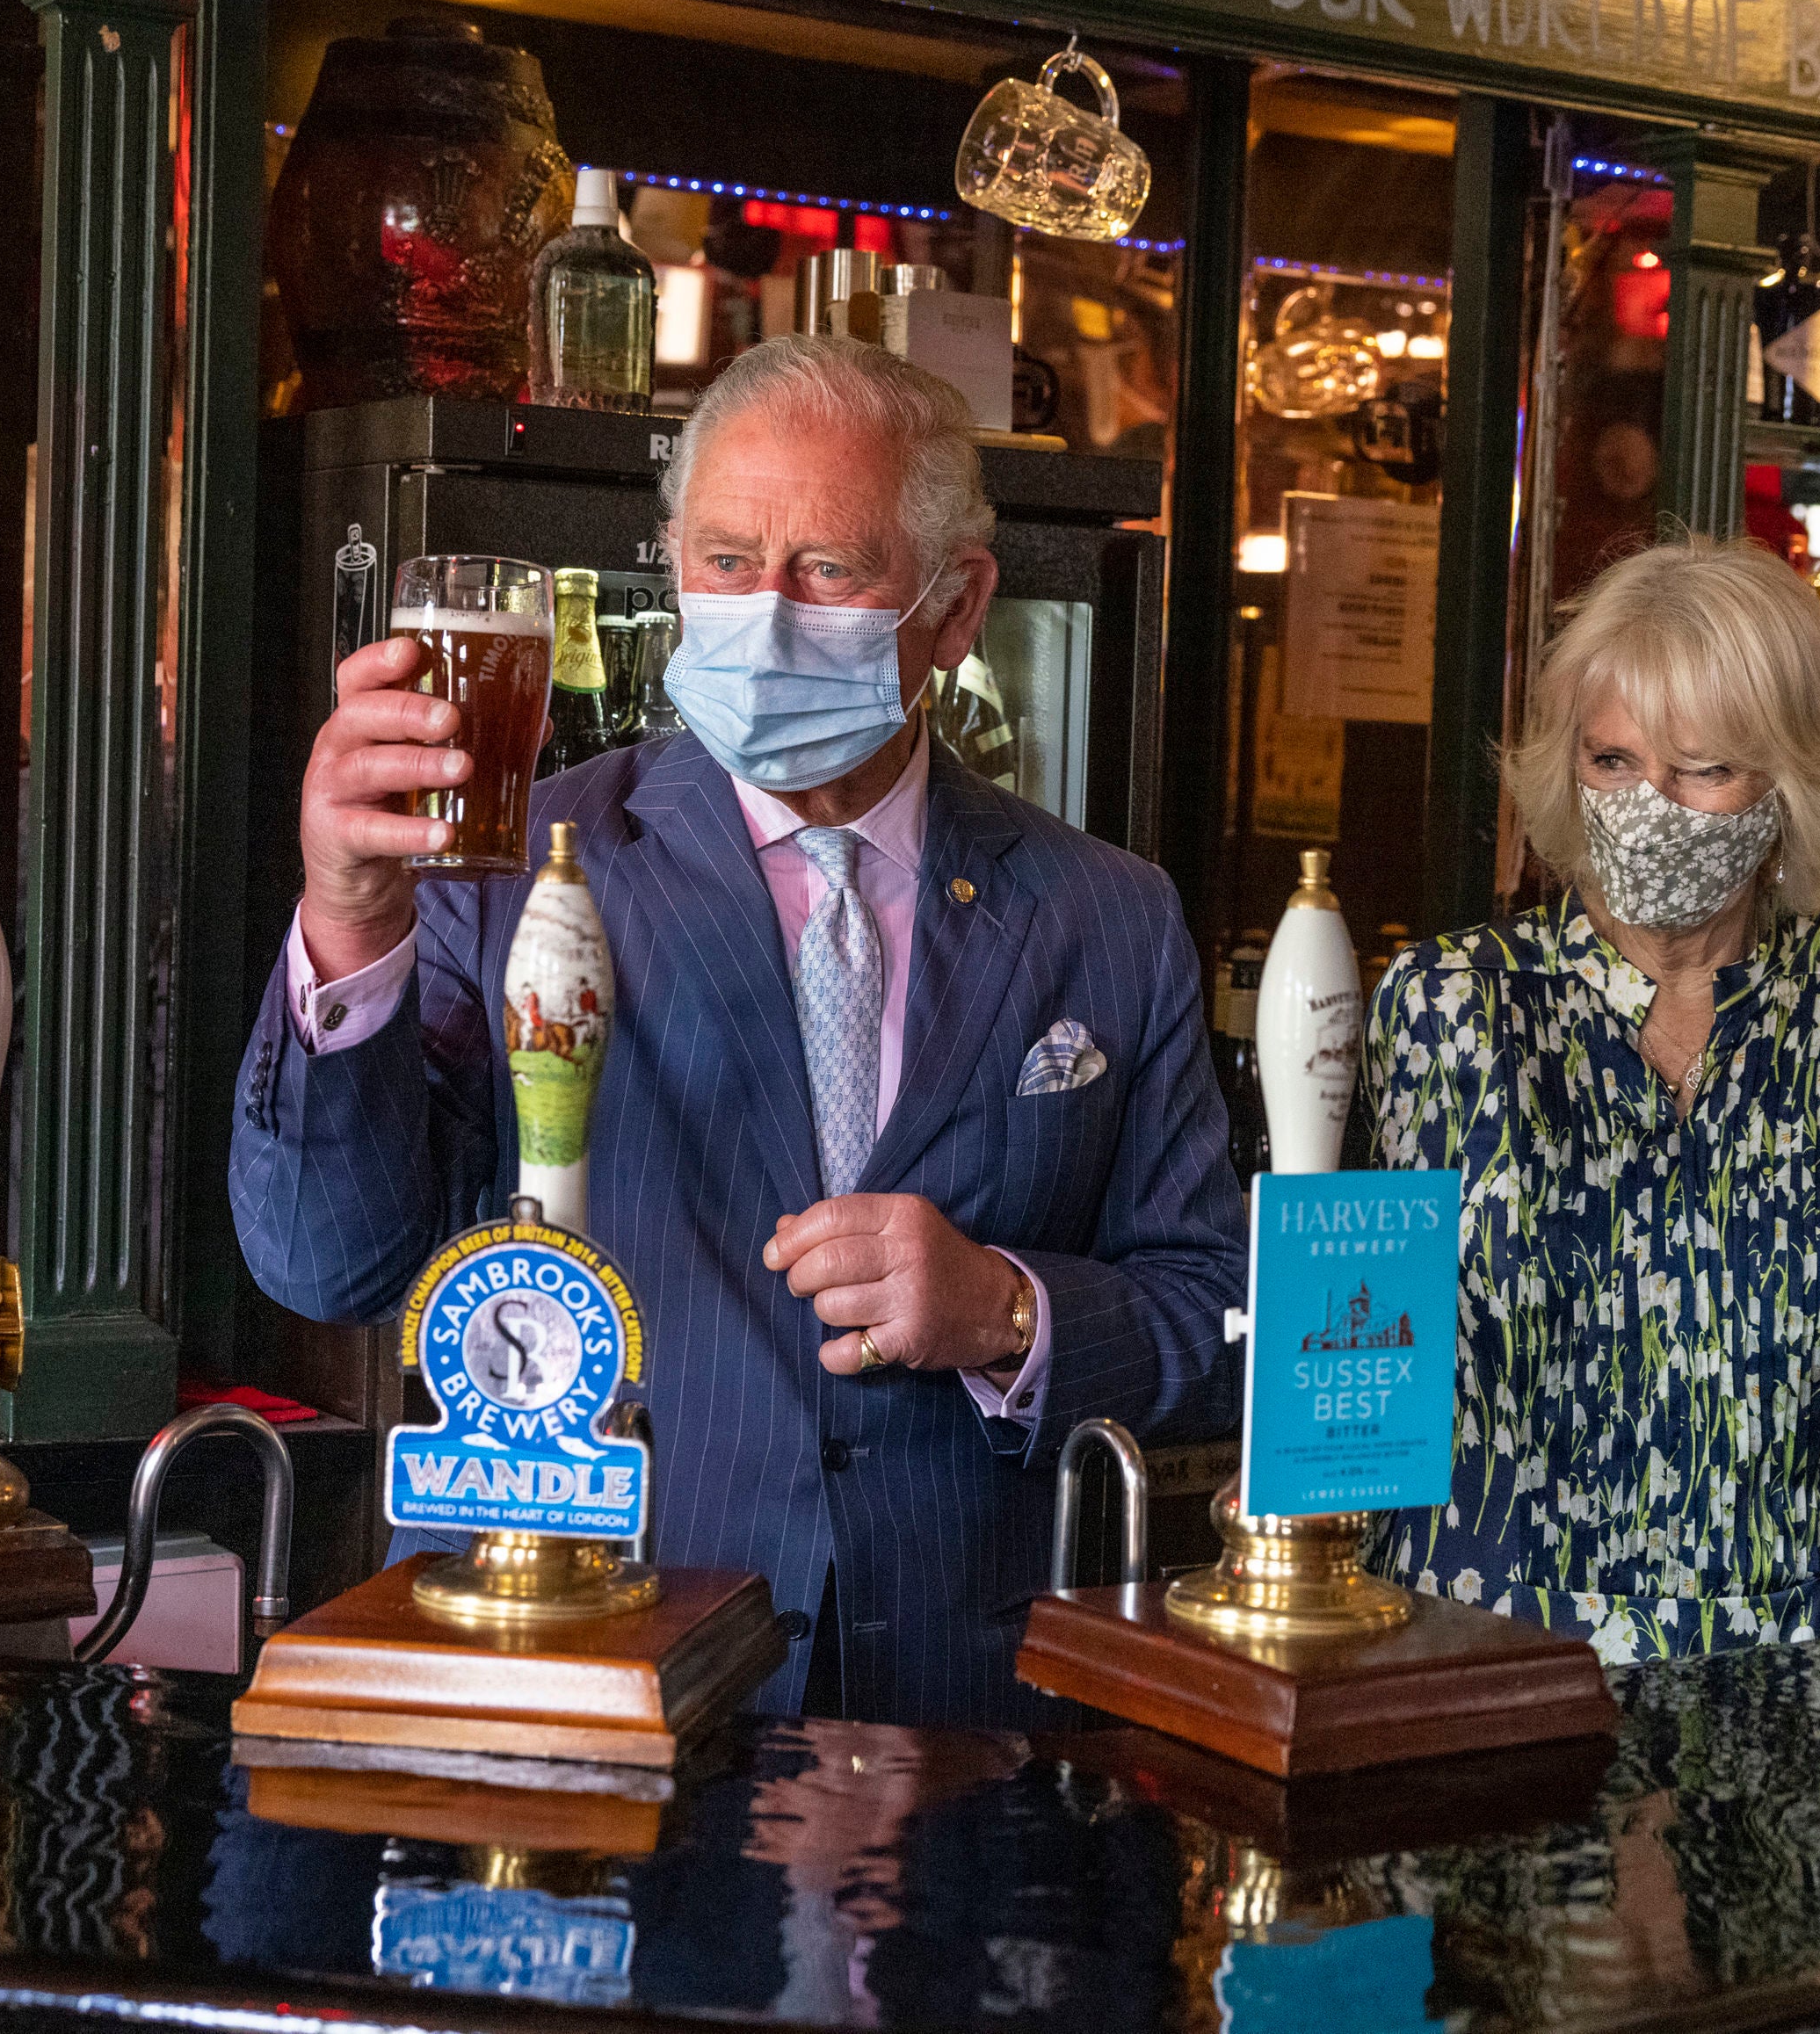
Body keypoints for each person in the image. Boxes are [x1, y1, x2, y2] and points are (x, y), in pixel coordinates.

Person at [231, 334, 1242, 1729]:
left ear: (955, 610)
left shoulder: (1108, 917)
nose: (765, 612)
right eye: (724, 561)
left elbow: (1222, 1319)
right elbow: (324, 1260)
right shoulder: (517, 859)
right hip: (587, 1667)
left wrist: (1006, 1312)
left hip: (958, 1713)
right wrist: (348, 922)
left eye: (829, 570)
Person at [1363, 537, 1820, 1663]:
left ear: (1789, 785)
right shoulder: (1448, 1005)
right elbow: (1370, 1369)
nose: (1650, 806)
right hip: (1494, 1659)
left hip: (1812, 1670)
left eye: (1703, 769)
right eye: (1611, 760)